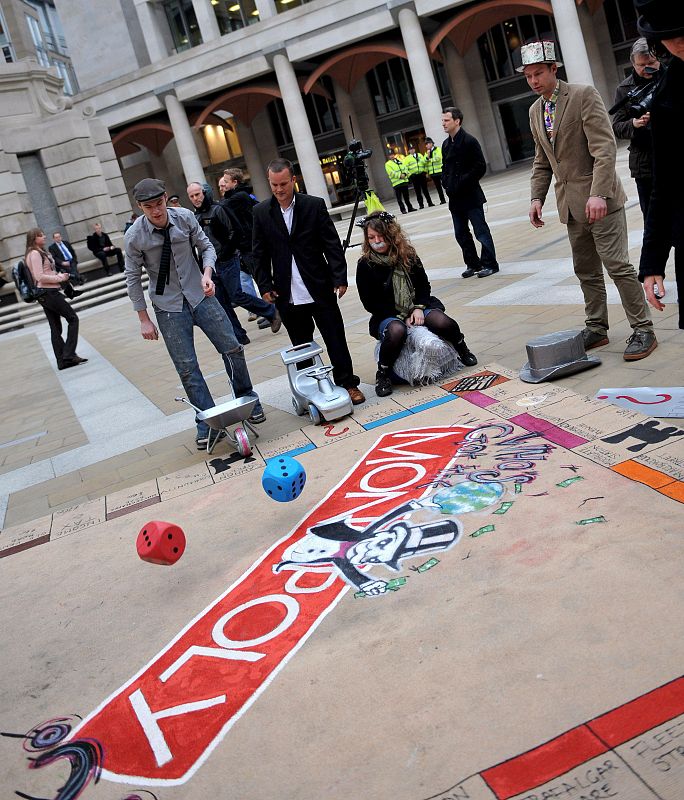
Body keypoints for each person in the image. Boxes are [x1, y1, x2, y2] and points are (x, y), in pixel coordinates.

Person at [522, 39, 657, 361]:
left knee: (617, 266)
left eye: (538, 73)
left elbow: (604, 149)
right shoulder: (535, 110)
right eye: (528, 76)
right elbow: (542, 160)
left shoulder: (583, 95)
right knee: (585, 270)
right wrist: (536, 197)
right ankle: (596, 327)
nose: (533, 81)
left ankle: (644, 329)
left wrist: (598, 193)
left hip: (601, 201)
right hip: (570, 205)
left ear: (554, 69)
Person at [125, 178, 265, 450]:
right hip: (168, 306)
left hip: (201, 294)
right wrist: (143, 319)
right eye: (148, 207)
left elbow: (206, 246)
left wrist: (207, 273)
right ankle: (207, 421)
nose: (156, 211)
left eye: (159, 203)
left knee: (232, 347)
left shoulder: (185, 217)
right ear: (140, 207)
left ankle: (247, 398)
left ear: (166, 198)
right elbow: (132, 278)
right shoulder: (134, 236)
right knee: (187, 367)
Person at [252, 158, 365, 405]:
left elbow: (331, 244)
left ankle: (348, 383)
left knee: (335, 339)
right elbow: (258, 254)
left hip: (319, 286)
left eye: (283, 184)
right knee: (301, 348)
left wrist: (339, 277)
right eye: (274, 185)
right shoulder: (261, 213)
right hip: (286, 293)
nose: (279, 189)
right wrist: (264, 285)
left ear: (293, 180)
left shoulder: (313, 205)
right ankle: (311, 392)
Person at [356, 211, 477, 397]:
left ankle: (462, 347)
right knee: (396, 330)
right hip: (386, 314)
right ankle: (383, 373)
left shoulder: (408, 255)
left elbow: (423, 286)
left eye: (381, 236)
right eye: (371, 237)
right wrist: (401, 315)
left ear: (391, 234)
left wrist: (419, 307)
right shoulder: (365, 264)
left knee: (441, 321)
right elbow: (369, 302)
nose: (377, 241)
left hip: (417, 306)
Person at [635, 0, 683, 328]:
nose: (678, 43)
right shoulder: (668, 90)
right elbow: (664, 182)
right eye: (669, 35)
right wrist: (653, 261)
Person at [187, 182, 281, 342]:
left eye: (198, 194)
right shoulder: (194, 218)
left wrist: (226, 251)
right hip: (210, 265)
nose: (196, 198)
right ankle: (239, 336)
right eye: (192, 196)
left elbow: (236, 231)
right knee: (222, 302)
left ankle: (270, 311)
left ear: (204, 193)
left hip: (228, 260)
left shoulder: (218, 209)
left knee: (236, 295)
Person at [441, 107, 499, 279]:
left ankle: (490, 264)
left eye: (446, 120)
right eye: (443, 120)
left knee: (481, 231)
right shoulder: (445, 144)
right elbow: (445, 168)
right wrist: (446, 183)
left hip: (471, 195)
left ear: (457, 121)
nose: (443, 123)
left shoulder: (469, 141)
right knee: (461, 233)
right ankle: (473, 264)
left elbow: (480, 166)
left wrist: (462, 181)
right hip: (455, 198)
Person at [611, 38, 661, 221]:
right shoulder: (624, 89)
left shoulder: (670, 78)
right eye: (641, 65)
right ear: (633, 63)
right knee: (653, 220)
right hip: (645, 165)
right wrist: (634, 123)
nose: (647, 68)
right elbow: (617, 127)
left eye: (651, 63)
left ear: (659, 59)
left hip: (674, 158)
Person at [25, 228, 88, 370]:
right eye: (41, 235)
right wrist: (59, 278)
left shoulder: (37, 252)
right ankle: (69, 355)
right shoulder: (34, 254)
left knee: (55, 327)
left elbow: (47, 272)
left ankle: (62, 361)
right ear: (34, 238)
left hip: (46, 293)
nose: (44, 236)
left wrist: (62, 276)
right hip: (48, 293)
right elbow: (39, 276)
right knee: (72, 318)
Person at [219, 169, 267, 324]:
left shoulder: (238, 197)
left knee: (262, 280)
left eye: (226, 182)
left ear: (235, 182)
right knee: (255, 279)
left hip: (251, 246)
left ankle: (274, 311)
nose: (223, 186)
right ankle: (269, 312)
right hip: (247, 247)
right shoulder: (239, 196)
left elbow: (221, 208)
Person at [403, 144, 434, 209]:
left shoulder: (419, 155)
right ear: (408, 151)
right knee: (418, 191)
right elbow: (405, 168)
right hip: (414, 176)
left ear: (414, 149)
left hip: (421, 174)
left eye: (413, 149)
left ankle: (430, 202)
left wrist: (425, 172)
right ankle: (421, 205)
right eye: (410, 149)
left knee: (425, 190)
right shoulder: (407, 158)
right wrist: (410, 175)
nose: (412, 150)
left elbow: (424, 163)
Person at [423, 138, 446, 204]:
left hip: (440, 171)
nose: (426, 146)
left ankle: (452, 197)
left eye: (427, 144)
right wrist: (428, 156)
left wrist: (429, 159)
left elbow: (438, 158)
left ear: (431, 143)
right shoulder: (427, 152)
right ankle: (442, 200)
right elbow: (424, 161)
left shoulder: (438, 149)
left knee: (445, 185)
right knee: (438, 187)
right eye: (425, 145)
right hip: (433, 173)